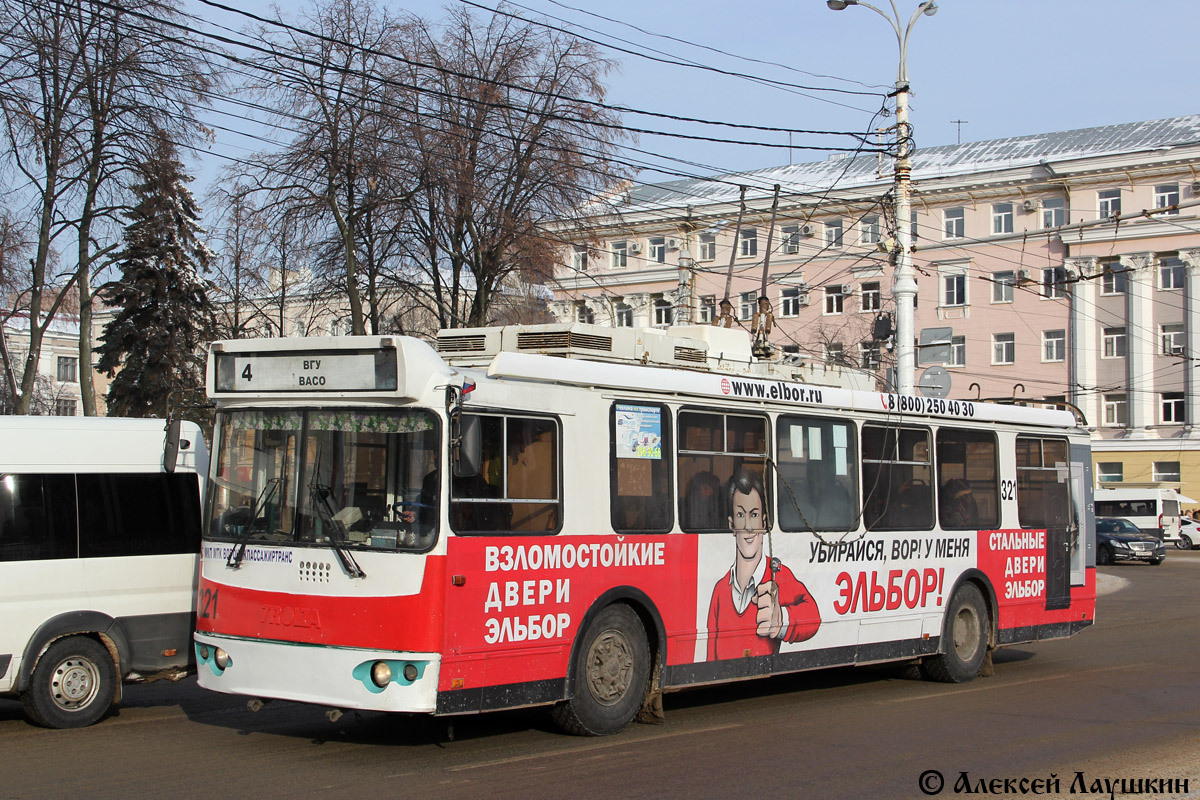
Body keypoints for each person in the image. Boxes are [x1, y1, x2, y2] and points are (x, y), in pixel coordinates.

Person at [706, 467, 821, 661]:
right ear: (732, 525)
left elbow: (813, 617)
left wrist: (781, 620)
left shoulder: (778, 576)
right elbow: (710, 658)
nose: (749, 527)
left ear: (765, 522)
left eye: (754, 515)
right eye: (741, 515)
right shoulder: (719, 590)